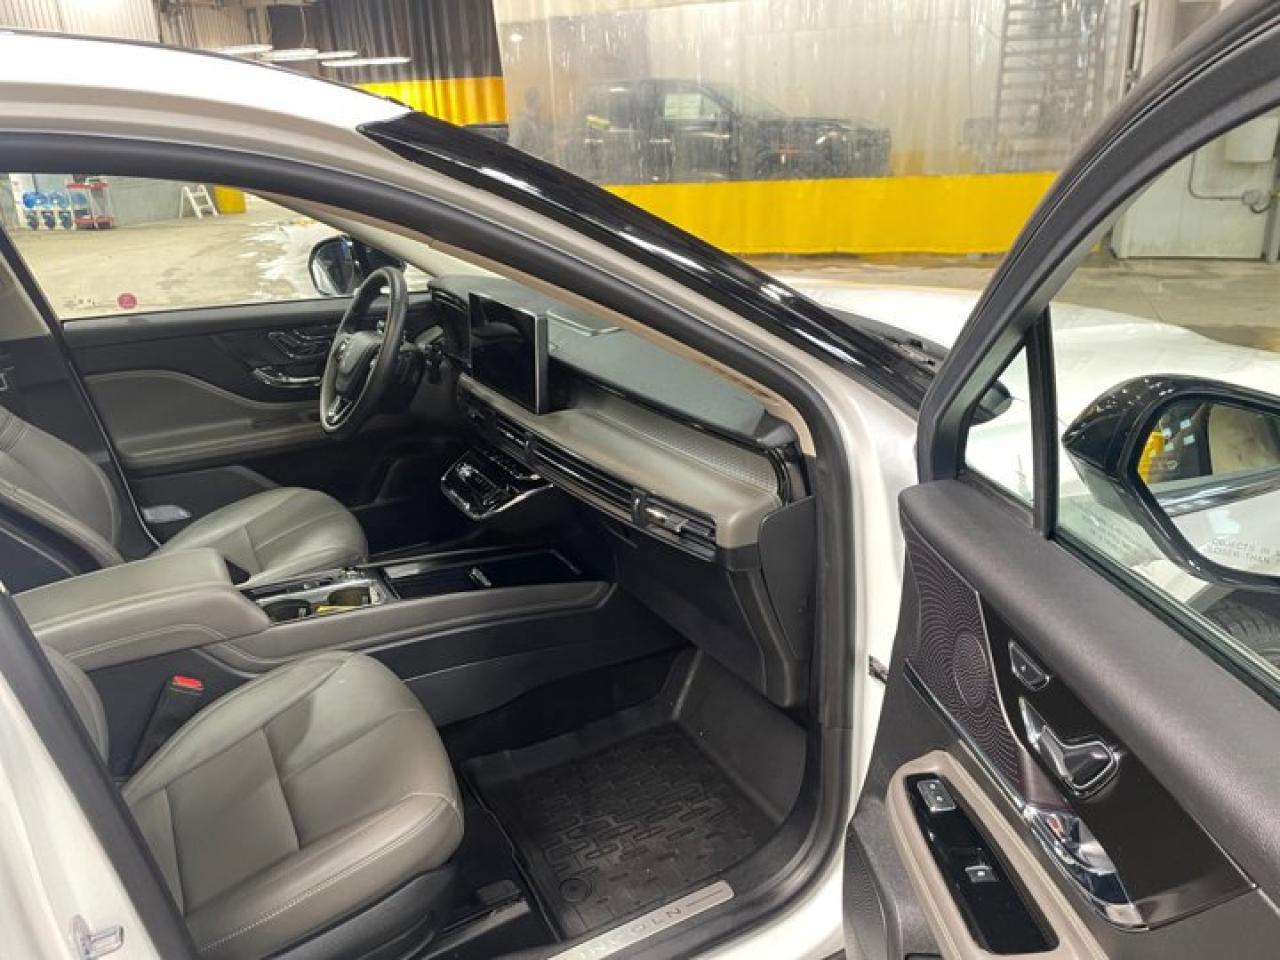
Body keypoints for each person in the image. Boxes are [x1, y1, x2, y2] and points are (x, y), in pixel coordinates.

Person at [509, 86, 551, 160]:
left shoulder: (539, 122)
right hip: (527, 164)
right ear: (536, 101)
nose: (543, 103)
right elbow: (513, 148)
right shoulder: (521, 122)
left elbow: (543, 143)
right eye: (541, 99)